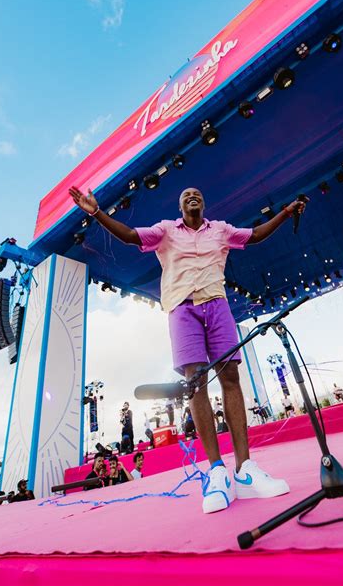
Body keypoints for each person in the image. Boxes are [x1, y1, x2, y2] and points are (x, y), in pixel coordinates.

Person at [69, 185, 306, 514]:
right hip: (182, 309)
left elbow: (255, 236)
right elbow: (128, 235)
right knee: (196, 385)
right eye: (185, 196)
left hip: (217, 304)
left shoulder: (221, 230)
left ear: (203, 203)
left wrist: (284, 212)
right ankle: (217, 472)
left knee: (231, 379)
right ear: (180, 207)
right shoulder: (165, 230)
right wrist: (95, 212)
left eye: (197, 194)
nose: (192, 196)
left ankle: (246, 470)